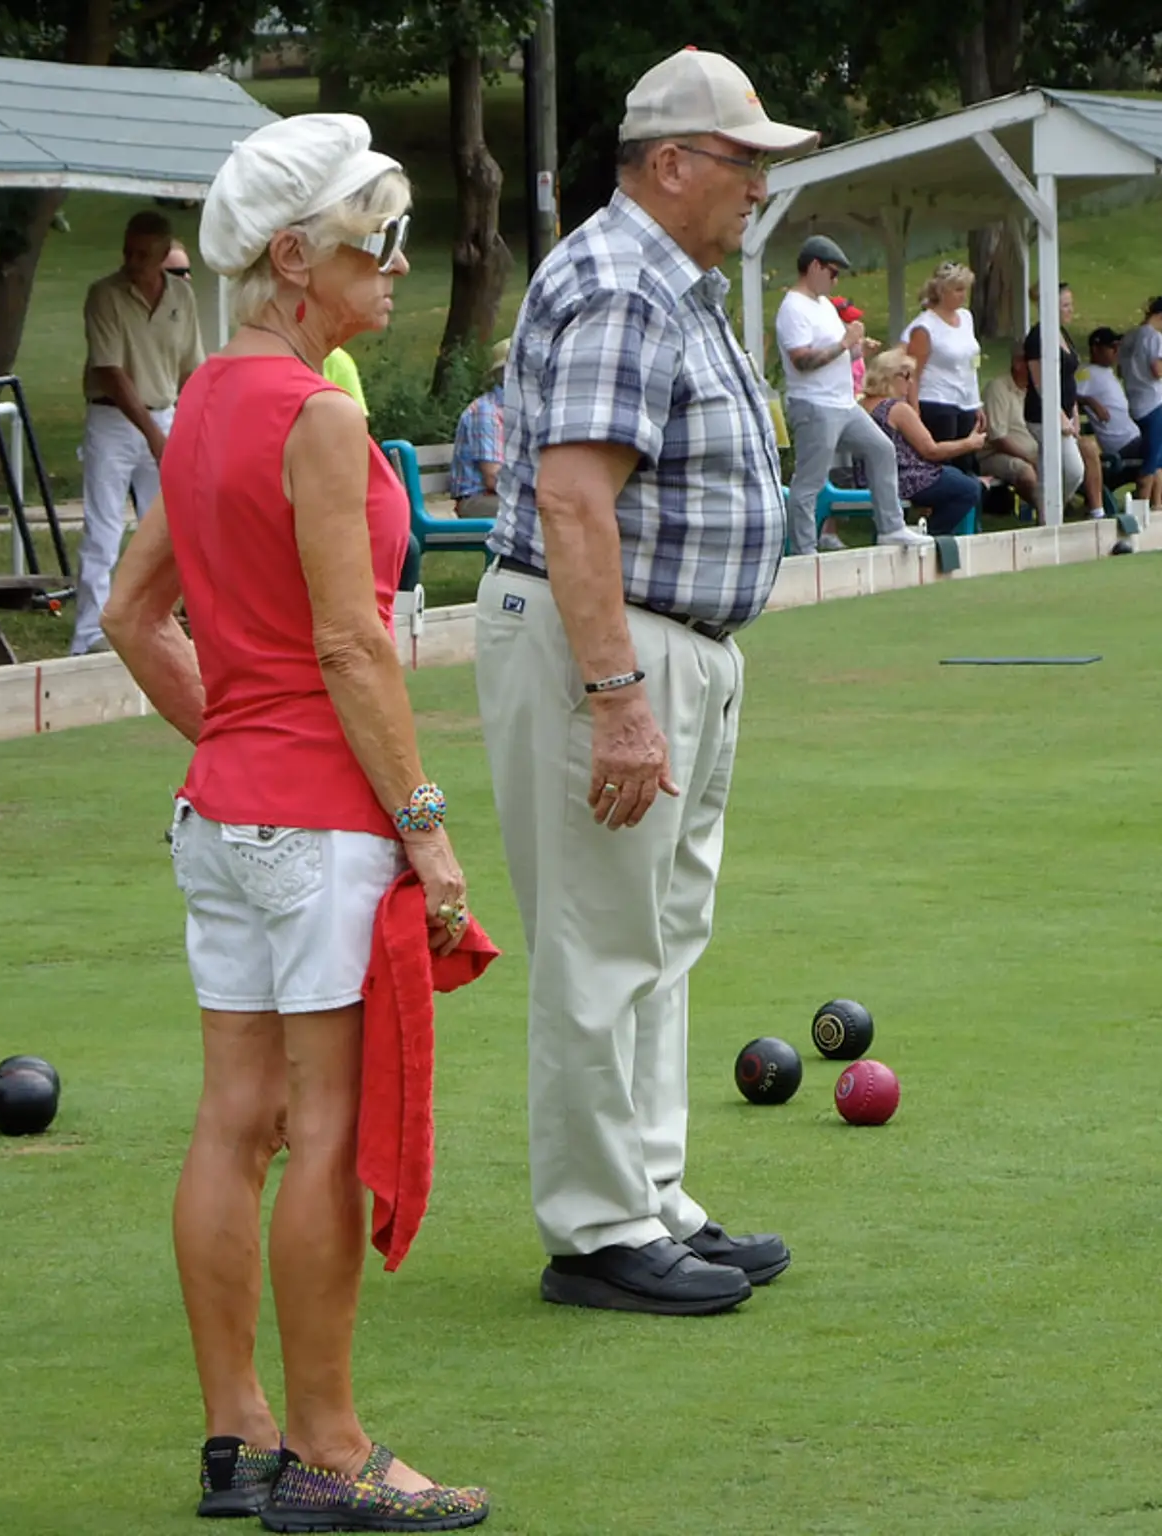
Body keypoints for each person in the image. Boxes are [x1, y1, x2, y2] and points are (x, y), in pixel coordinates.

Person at [99, 113, 490, 1531]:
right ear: (291, 259)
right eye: (372, 245)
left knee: (235, 1119)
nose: (396, 270)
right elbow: (351, 647)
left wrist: (235, 751)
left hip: (227, 821)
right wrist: (429, 823)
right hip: (314, 826)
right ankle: (328, 1450)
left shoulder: (205, 399)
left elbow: (129, 614)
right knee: (318, 1127)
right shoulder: (315, 417)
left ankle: (238, 1441)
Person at [475, 47, 815, 1317]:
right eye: (744, 166)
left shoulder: (672, 281)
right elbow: (572, 499)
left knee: (658, 937)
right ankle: (596, 1228)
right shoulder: (623, 282)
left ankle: (650, 1195)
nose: (759, 192)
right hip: (611, 647)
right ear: (669, 164)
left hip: (670, 644)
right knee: (599, 941)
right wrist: (617, 695)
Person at [72, 210, 205, 655]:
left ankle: (153, 625)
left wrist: (188, 429)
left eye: (145, 254)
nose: (133, 260)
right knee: (104, 527)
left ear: (165, 254)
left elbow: (192, 370)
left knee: (166, 527)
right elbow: (110, 371)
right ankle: (89, 634)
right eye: (129, 251)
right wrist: (153, 435)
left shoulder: (181, 300)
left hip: (165, 415)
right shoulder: (104, 296)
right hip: (113, 419)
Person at [775, 233, 932, 553]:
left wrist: (857, 350)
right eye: (832, 273)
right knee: (810, 483)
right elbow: (802, 361)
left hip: (843, 404)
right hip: (815, 406)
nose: (835, 281)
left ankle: (890, 527)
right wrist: (845, 344)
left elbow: (834, 349)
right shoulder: (793, 308)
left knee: (881, 449)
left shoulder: (822, 306)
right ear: (814, 267)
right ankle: (804, 552)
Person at [860, 347, 987, 535]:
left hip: (868, 476)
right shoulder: (897, 410)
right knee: (969, 488)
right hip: (905, 479)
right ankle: (930, 535)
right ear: (891, 376)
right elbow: (931, 450)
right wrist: (970, 443)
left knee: (953, 476)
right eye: (907, 376)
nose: (911, 383)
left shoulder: (862, 405)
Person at [1023, 283, 1104, 518]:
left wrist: (1074, 415)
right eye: (1065, 305)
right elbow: (1041, 384)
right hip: (1042, 414)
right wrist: (1059, 417)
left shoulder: (1062, 333)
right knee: (1073, 470)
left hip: (1066, 411)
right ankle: (1050, 508)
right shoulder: (1038, 337)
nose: (1071, 310)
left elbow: (1069, 379)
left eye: (1070, 304)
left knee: (1051, 469)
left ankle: (1046, 512)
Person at [902, 261, 984, 468]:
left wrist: (977, 402)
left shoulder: (966, 318)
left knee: (966, 463)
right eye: (957, 290)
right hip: (937, 400)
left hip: (965, 400)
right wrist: (914, 411)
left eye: (965, 290)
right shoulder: (925, 326)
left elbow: (971, 363)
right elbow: (913, 373)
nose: (963, 295)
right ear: (942, 291)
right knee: (943, 464)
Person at [447, 338, 508, 518]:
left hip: (504, 498)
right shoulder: (486, 412)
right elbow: (493, 478)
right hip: (477, 500)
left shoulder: (519, 410)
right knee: (545, 512)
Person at [979, 347, 1043, 514]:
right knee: (1027, 473)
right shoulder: (998, 388)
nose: (1040, 366)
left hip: (1035, 453)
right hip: (995, 455)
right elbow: (998, 438)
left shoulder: (1037, 389)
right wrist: (1029, 458)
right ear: (1018, 364)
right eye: (1035, 361)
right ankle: (1047, 515)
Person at [1119, 297, 1162, 513]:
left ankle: (1157, 503)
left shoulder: (1130, 336)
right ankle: (1143, 505)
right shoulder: (1155, 338)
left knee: (1159, 456)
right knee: (1151, 459)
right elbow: (1157, 370)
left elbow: (1121, 370)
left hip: (1134, 400)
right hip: (1154, 402)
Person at [1076, 326, 1144, 465]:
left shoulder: (1107, 371)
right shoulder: (1086, 373)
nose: (1116, 352)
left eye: (1118, 347)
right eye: (1112, 347)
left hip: (1134, 436)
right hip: (1121, 444)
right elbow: (1068, 394)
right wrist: (1090, 401)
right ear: (1096, 348)